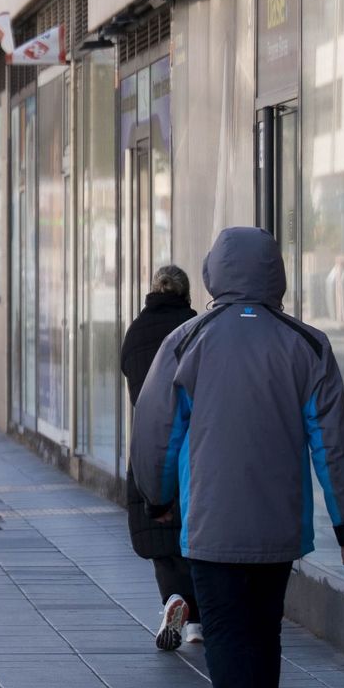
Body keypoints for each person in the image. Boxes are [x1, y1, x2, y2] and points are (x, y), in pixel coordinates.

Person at [131, 227, 344, 688]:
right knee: (264, 632)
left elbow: (156, 430)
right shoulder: (307, 345)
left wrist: (158, 497)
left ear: (214, 272)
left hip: (210, 524)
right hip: (277, 527)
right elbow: (333, 442)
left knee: (225, 634)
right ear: (274, 274)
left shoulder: (187, 342)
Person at [120, 265, 201, 650]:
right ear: (186, 293)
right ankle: (197, 622)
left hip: (147, 441)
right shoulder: (196, 328)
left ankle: (172, 600)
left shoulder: (136, 331)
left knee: (159, 538)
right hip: (193, 445)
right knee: (194, 536)